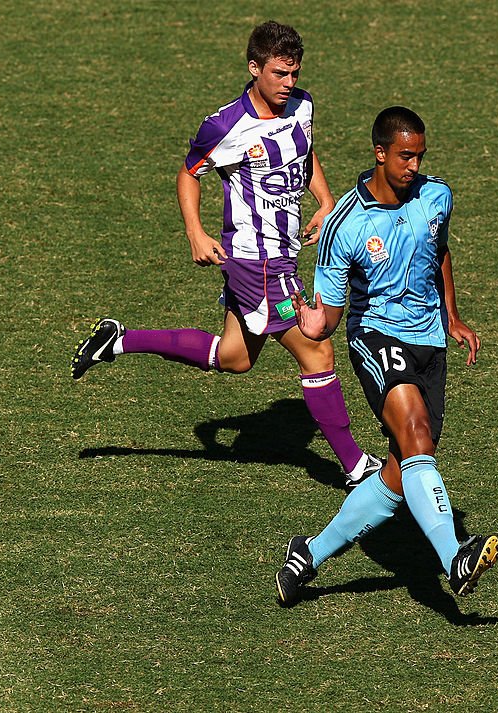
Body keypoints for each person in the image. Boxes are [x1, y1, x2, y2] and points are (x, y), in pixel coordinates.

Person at [70, 21, 379, 487]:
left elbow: (305, 152)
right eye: (279, 74)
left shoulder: (302, 105)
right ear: (255, 68)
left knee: (235, 357)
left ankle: (118, 339)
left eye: (294, 73)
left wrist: (326, 199)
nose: (289, 83)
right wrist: (195, 232)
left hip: (284, 253)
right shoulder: (225, 125)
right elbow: (188, 173)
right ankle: (356, 466)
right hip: (257, 262)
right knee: (317, 349)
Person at [275, 106, 498, 607]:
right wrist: (299, 314)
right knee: (416, 433)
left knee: (403, 469)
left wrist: (453, 315)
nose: (413, 166)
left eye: (419, 156)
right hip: (376, 337)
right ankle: (454, 559)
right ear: (380, 153)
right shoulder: (345, 225)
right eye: (404, 156)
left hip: (430, 341)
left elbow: (438, 250)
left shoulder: (436, 196)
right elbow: (327, 319)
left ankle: (308, 554)